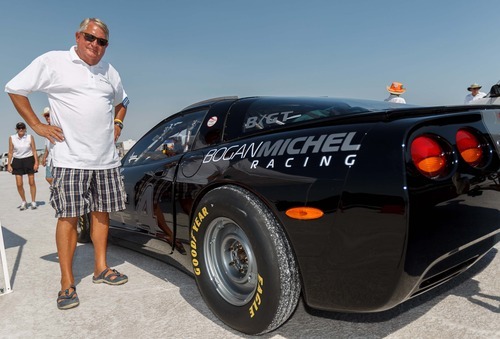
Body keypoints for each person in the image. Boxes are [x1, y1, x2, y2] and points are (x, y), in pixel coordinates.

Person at [5, 18, 130, 310]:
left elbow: (123, 100)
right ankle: (67, 282)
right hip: (70, 158)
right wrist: (36, 124)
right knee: (69, 218)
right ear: (78, 36)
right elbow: (14, 88)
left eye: (102, 42)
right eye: (90, 38)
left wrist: (118, 123)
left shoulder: (109, 71)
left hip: (105, 160)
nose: (95, 45)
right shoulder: (54, 61)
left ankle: (101, 267)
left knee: (101, 214)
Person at [7, 122, 39, 210]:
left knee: (31, 182)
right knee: (19, 184)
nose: (21, 129)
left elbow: (34, 150)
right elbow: (10, 152)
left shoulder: (29, 137)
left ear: (25, 129)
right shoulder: (12, 138)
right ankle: (24, 201)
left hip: (29, 159)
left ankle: (33, 202)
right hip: (17, 161)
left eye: (22, 128)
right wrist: (9, 164)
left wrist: (36, 162)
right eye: (19, 128)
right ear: (16, 129)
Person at [40, 107, 53, 185]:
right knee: (48, 178)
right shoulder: (46, 129)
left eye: (49, 115)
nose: (47, 117)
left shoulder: (59, 126)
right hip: (50, 158)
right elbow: (47, 146)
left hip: (59, 158)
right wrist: (44, 157)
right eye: (46, 116)